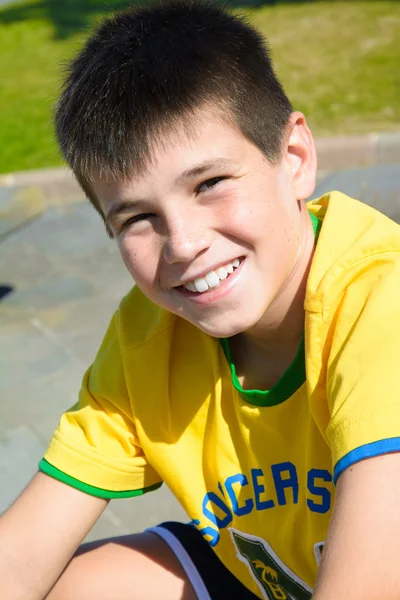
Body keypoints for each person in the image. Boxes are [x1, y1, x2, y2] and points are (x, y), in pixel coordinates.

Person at [2, 1, 400, 599]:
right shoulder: (148, 337)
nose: (183, 244)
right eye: (138, 217)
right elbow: (23, 550)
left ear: (293, 159)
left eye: (208, 184)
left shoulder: (379, 300)